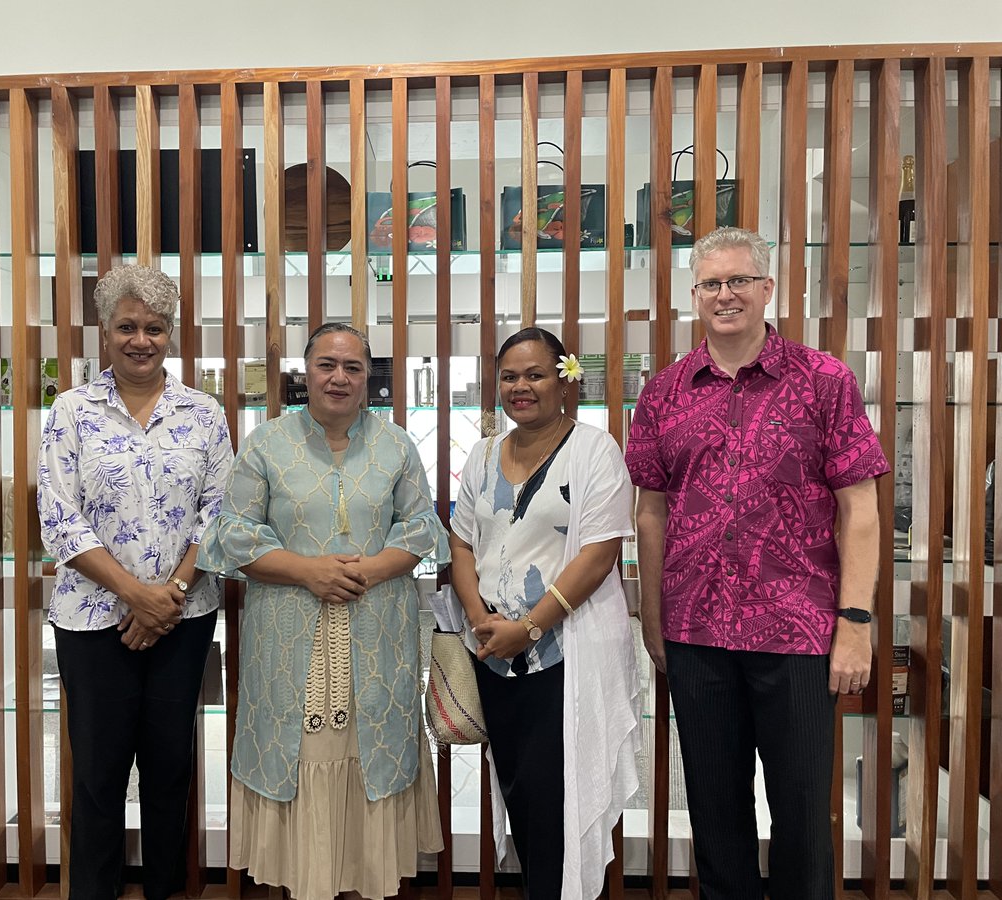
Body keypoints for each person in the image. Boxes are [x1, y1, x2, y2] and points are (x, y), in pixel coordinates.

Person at [626, 227, 890, 900]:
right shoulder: (663, 393)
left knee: (803, 817)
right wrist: (653, 621)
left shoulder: (824, 380)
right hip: (696, 636)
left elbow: (860, 508)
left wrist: (855, 623)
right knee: (715, 817)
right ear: (695, 296)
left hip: (797, 633)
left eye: (739, 280)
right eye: (711, 283)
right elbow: (650, 512)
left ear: (767, 288)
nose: (725, 295)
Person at [197, 323, 447, 900]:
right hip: (286, 634)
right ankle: (304, 883)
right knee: (299, 758)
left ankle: (364, 883)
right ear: (304, 373)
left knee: (367, 754)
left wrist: (370, 569)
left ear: (367, 379)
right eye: (327, 365)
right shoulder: (266, 443)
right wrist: (308, 571)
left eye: (353, 368)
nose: (339, 377)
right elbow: (232, 533)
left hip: (375, 628)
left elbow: (421, 526)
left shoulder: (396, 445)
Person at [38, 265, 232, 900]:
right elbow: (59, 520)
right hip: (92, 621)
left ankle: (164, 890)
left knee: (170, 765)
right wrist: (136, 595)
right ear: (104, 332)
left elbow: (221, 514)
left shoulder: (203, 415)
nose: (140, 339)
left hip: (183, 617)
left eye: (154, 327)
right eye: (127, 326)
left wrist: (167, 596)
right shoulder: (70, 412)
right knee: (98, 771)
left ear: (171, 334)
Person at [448, 327, 641, 900]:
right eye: (509, 376)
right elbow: (461, 542)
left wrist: (529, 626)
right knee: (521, 792)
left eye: (535, 374)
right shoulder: (482, 454)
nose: (520, 387)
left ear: (564, 380)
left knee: (560, 798)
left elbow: (600, 553)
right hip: (495, 655)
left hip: (564, 656)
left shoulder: (594, 450)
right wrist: (481, 615)